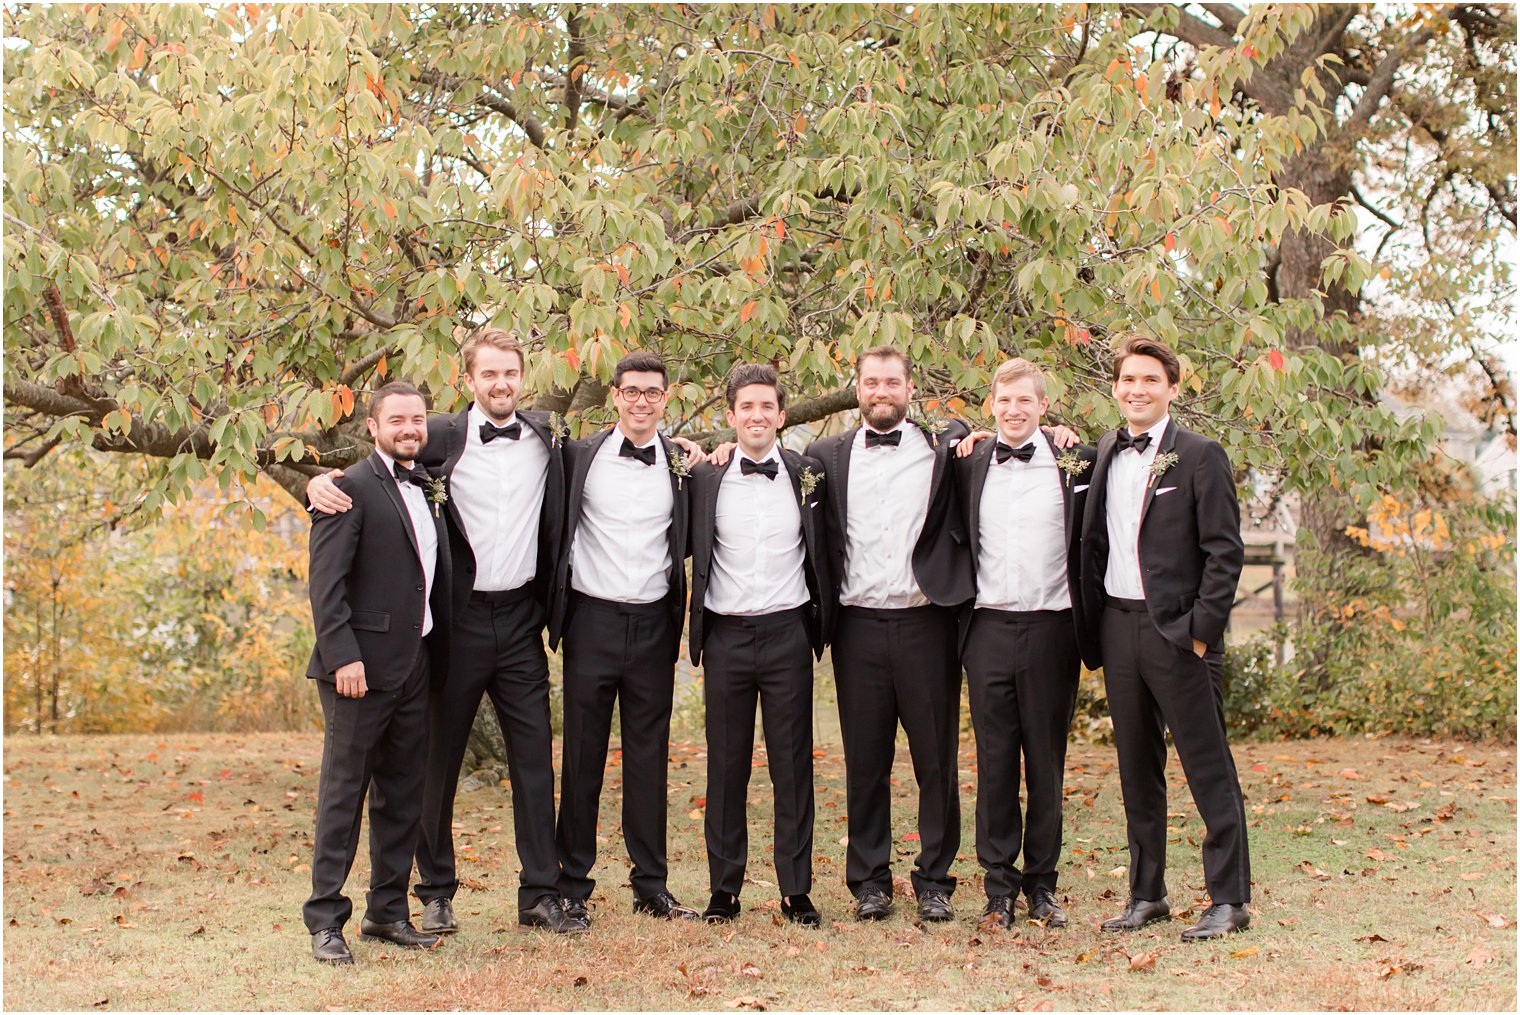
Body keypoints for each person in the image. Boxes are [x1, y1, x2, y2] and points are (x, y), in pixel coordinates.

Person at [307, 328, 582, 934]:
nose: (501, 384)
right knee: (434, 764)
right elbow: (378, 470)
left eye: (510, 373)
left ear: (523, 377)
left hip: (521, 623)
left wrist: (697, 451)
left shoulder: (548, 435)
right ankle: (435, 890)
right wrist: (317, 481)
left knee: (535, 760)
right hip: (453, 625)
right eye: (489, 374)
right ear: (469, 380)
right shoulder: (437, 437)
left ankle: (540, 891)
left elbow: (614, 450)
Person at [1078, 334, 1251, 941]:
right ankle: (1146, 895)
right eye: (1128, 380)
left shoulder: (1201, 455)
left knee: (1208, 767)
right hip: (1118, 629)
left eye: (1150, 380)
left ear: (1172, 388)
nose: (1137, 390)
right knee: (1136, 770)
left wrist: (1200, 633)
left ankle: (1228, 900)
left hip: (1179, 636)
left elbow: (1224, 552)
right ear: (1116, 387)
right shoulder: (1104, 450)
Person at [804, 346, 974, 923]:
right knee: (865, 762)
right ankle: (870, 882)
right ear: (857, 388)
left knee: (936, 761)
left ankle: (934, 880)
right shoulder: (824, 455)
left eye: (892, 382)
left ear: (909, 387)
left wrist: (1058, 429)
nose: (882, 391)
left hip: (926, 623)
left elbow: (1012, 438)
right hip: (856, 629)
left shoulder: (944, 450)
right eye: (871, 382)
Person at [302, 381, 451, 964]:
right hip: (356, 671)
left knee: (403, 794)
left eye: (417, 418)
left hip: (415, 662)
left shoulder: (428, 478)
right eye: (397, 420)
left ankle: (388, 912)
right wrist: (343, 656)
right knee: (344, 794)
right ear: (372, 426)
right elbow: (326, 583)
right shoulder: (347, 488)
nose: (410, 428)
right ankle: (324, 921)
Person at [550, 351, 698, 923]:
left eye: (652, 392)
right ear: (614, 396)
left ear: (667, 398)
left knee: (648, 757)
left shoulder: (685, 465)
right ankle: (570, 884)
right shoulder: (578, 456)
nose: (642, 401)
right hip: (592, 620)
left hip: (656, 622)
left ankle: (651, 885)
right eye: (631, 391)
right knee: (583, 755)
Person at [952, 358, 1096, 930]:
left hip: (1052, 628)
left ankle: (1043, 886)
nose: (1014, 410)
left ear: (1043, 406)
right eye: (1004, 400)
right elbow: (936, 439)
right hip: (985, 628)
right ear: (992, 404)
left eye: (1025, 401)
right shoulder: (969, 460)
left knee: (1045, 762)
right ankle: (998, 890)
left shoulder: (1072, 461)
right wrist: (963, 435)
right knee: (994, 764)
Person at [687, 364, 830, 927]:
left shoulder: (808, 474)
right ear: (730, 417)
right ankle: (724, 889)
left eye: (767, 407)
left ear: (781, 415)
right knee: (727, 766)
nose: (757, 416)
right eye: (746, 407)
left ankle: (796, 890)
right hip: (724, 634)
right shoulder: (705, 478)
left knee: (792, 765)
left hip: (787, 633)